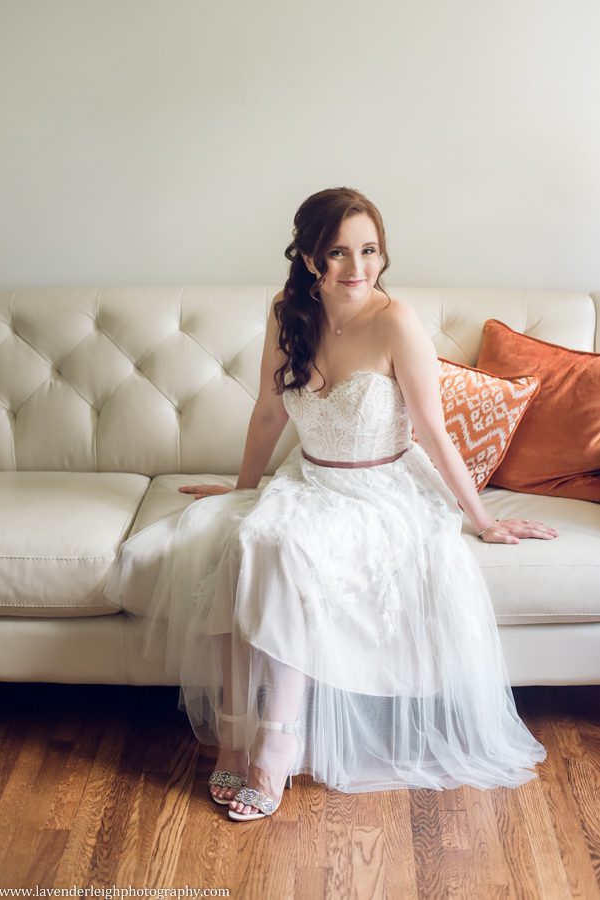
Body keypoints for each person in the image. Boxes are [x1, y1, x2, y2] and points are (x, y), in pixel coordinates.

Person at [104, 186, 558, 823]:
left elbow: (431, 429)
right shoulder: (288, 311)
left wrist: (480, 519)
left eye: (369, 251)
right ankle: (233, 738)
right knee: (245, 541)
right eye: (339, 253)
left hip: (382, 488)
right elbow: (268, 411)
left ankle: (275, 748)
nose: (357, 268)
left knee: (284, 548)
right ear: (311, 259)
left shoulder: (395, 321)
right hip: (308, 478)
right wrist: (243, 489)